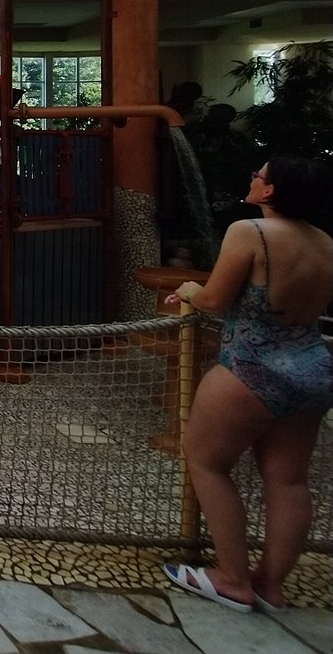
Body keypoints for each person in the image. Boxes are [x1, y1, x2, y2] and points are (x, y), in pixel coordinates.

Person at [162, 156, 333, 613]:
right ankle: (270, 587)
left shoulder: (250, 232)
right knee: (290, 481)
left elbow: (215, 299)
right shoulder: (326, 243)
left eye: (257, 175)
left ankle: (232, 578)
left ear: (271, 191)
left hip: (252, 367)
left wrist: (188, 289)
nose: (251, 179)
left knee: (206, 462)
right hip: (314, 368)